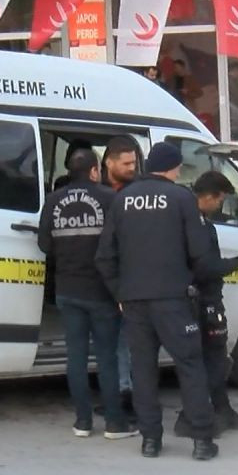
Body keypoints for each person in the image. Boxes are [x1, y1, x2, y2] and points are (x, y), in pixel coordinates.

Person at [95, 141, 219, 461]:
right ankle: (202, 440)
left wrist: (119, 293)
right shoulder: (182, 198)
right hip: (173, 300)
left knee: (143, 371)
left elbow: (105, 256)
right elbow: (199, 254)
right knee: (190, 366)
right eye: (179, 167)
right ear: (173, 168)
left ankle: (151, 440)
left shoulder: (122, 200)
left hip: (135, 301)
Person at [36, 149, 137, 440]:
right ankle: (115, 424)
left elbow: (44, 244)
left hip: (67, 290)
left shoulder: (53, 201)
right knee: (106, 357)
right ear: (95, 170)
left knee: (76, 357)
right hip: (101, 292)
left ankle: (82, 422)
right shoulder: (109, 198)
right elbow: (125, 242)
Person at [174, 171, 238, 438]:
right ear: (208, 196)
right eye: (220, 200)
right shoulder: (195, 225)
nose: (220, 206)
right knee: (209, 362)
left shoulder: (191, 220)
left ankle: (223, 410)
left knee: (214, 360)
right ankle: (191, 418)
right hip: (202, 301)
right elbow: (206, 268)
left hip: (200, 300)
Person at [99, 135, 141, 414]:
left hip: (131, 280)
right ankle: (118, 391)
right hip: (101, 278)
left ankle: (128, 393)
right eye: (126, 163)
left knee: (127, 341)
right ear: (108, 162)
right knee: (109, 342)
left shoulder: (138, 192)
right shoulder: (96, 192)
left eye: (134, 163)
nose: (131, 168)